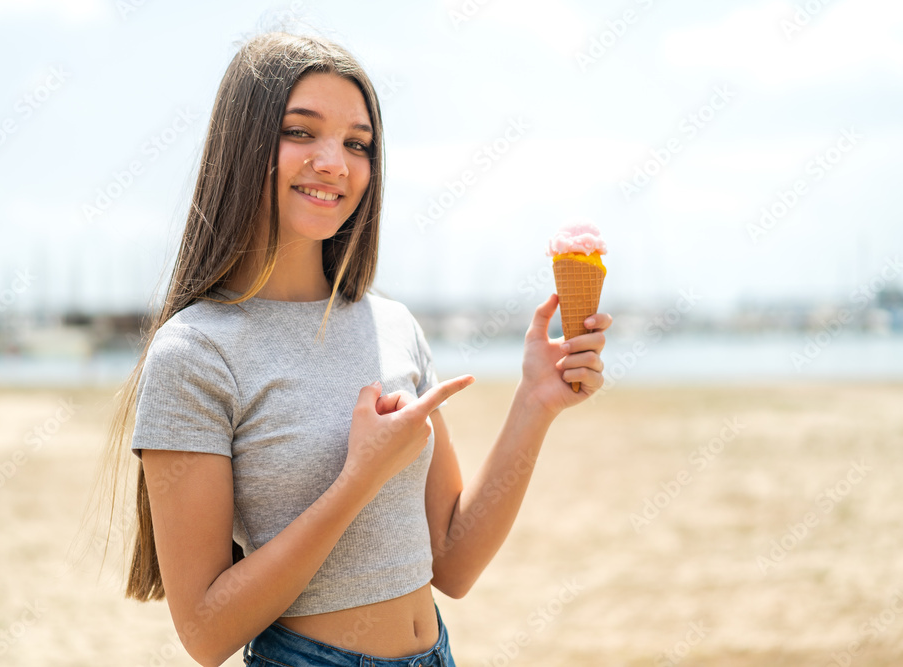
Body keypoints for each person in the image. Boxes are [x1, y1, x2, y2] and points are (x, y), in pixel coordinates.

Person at [95, 31, 611, 667]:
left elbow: (451, 561)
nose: (335, 161)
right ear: (244, 144)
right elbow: (206, 633)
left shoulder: (392, 324)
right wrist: (360, 476)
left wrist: (536, 403)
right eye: (301, 132)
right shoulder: (195, 352)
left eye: (357, 143)